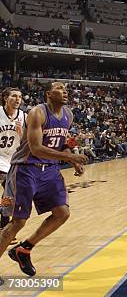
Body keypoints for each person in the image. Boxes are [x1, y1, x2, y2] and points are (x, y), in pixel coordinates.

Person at [0, 81, 88, 278]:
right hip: (26, 168)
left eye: (66, 89)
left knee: (62, 213)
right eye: (60, 89)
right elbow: (36, 148)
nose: (65, 92)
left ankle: (24, 249)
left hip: (50, 170)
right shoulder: (38, 113)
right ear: (49, 93)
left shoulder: (69, 115)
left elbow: (62, 143)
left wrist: (71, 159)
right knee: (18, 222)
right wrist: (70, 157)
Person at [0, 88, 26, 234]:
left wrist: (22, 133)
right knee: (8, 195)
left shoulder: (24, 116)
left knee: (9, 196)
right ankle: (4, 226)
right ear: (5, 98)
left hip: (11, 161)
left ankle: (3, 226)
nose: (18, 99)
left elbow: (27, 140)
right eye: (14, 96)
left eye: (20, 97)